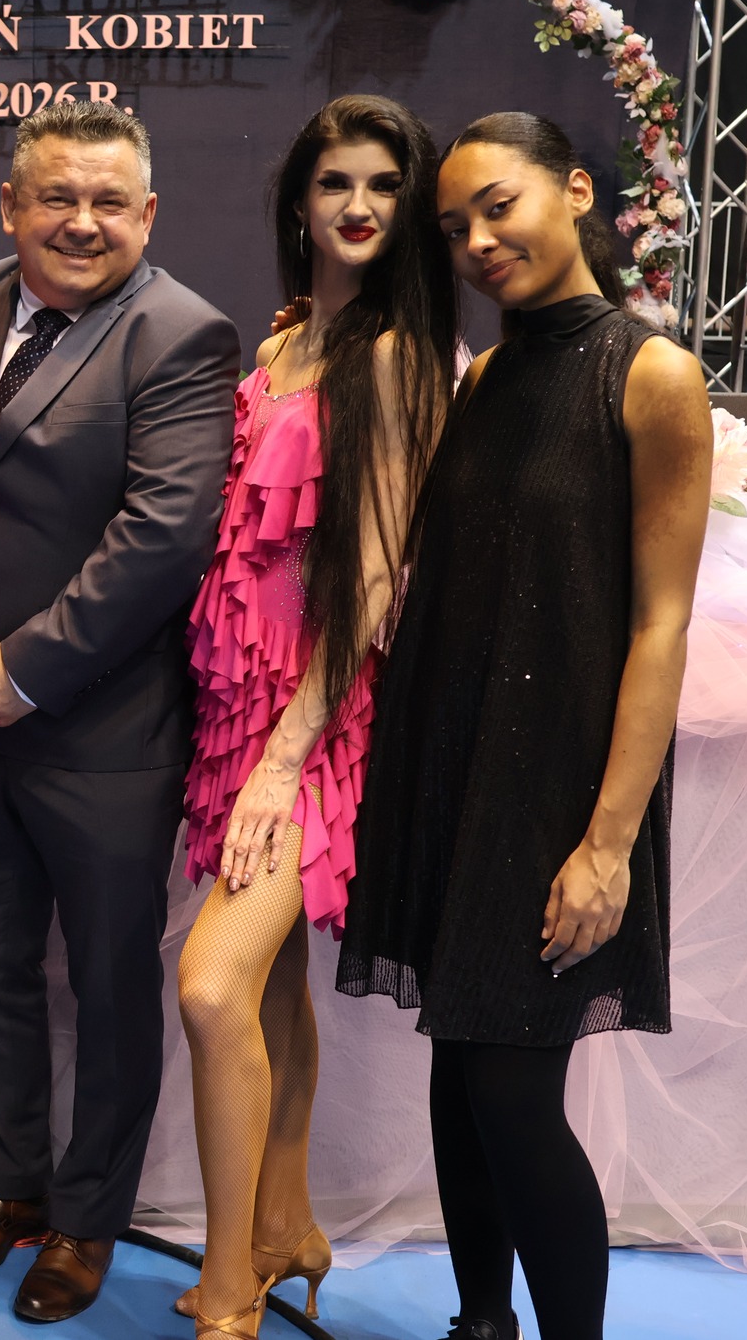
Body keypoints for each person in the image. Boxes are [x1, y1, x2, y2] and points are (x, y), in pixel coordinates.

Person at [335, 112, 710, 1340]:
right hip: (455, 764)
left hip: (556, 792)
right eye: (454, 228)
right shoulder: (485, 378)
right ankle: (479, 1321)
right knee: (459, 1069)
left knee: (508, 1090)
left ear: (575, 191)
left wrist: (606, 844)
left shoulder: (651, 376)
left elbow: (659, 624)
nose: (477, 242)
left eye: (496, 206)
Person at [0, 99, 240, 1323]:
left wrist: (29, 667)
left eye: (109, 201)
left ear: (147, 214)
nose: (81, 222)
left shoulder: (183, 333)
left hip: (103, 725)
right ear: (10, 206)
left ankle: (87, 1219)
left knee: (107, 986)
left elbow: (163, 535)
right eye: (56, 197)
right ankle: (7, 1188)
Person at [173, 96, 456, 1340]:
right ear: (297, 198)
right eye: (335, 182)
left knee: (207, 987)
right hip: (232, 701)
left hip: (312, 721)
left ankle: (229, 1280)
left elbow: (376, 578)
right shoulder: (287, 339)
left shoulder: (392, 356)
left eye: (383, 185)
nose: (357, 205)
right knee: (269, 985)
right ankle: (284, 1226)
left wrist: (285, 760)